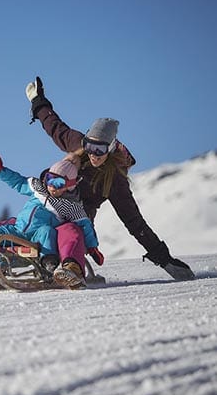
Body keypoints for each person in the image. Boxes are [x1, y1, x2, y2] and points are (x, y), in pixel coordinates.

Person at [25, 76, 195, 281]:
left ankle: (68, 266)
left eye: (100, 149)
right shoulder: (76, 144)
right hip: (54, 203)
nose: (94, 154)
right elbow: (54, 126)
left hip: (80, 217)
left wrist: (164, 259)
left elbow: (134, 222)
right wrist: (38, 100)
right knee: (36, 221)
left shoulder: (114, 180)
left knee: (71, 231)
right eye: (90, 147)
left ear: (111, 148)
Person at [0, 153, 104, 289]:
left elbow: (85, 225)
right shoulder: (38, 188)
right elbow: (19, 182)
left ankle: (49, 265)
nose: (52, 186)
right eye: (50, 179)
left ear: (69, 185)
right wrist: (1, 171)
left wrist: (92, 248)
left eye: (59, 183)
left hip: (37, 235)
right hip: (16, 230)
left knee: (47, 232)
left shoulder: (70, 206)